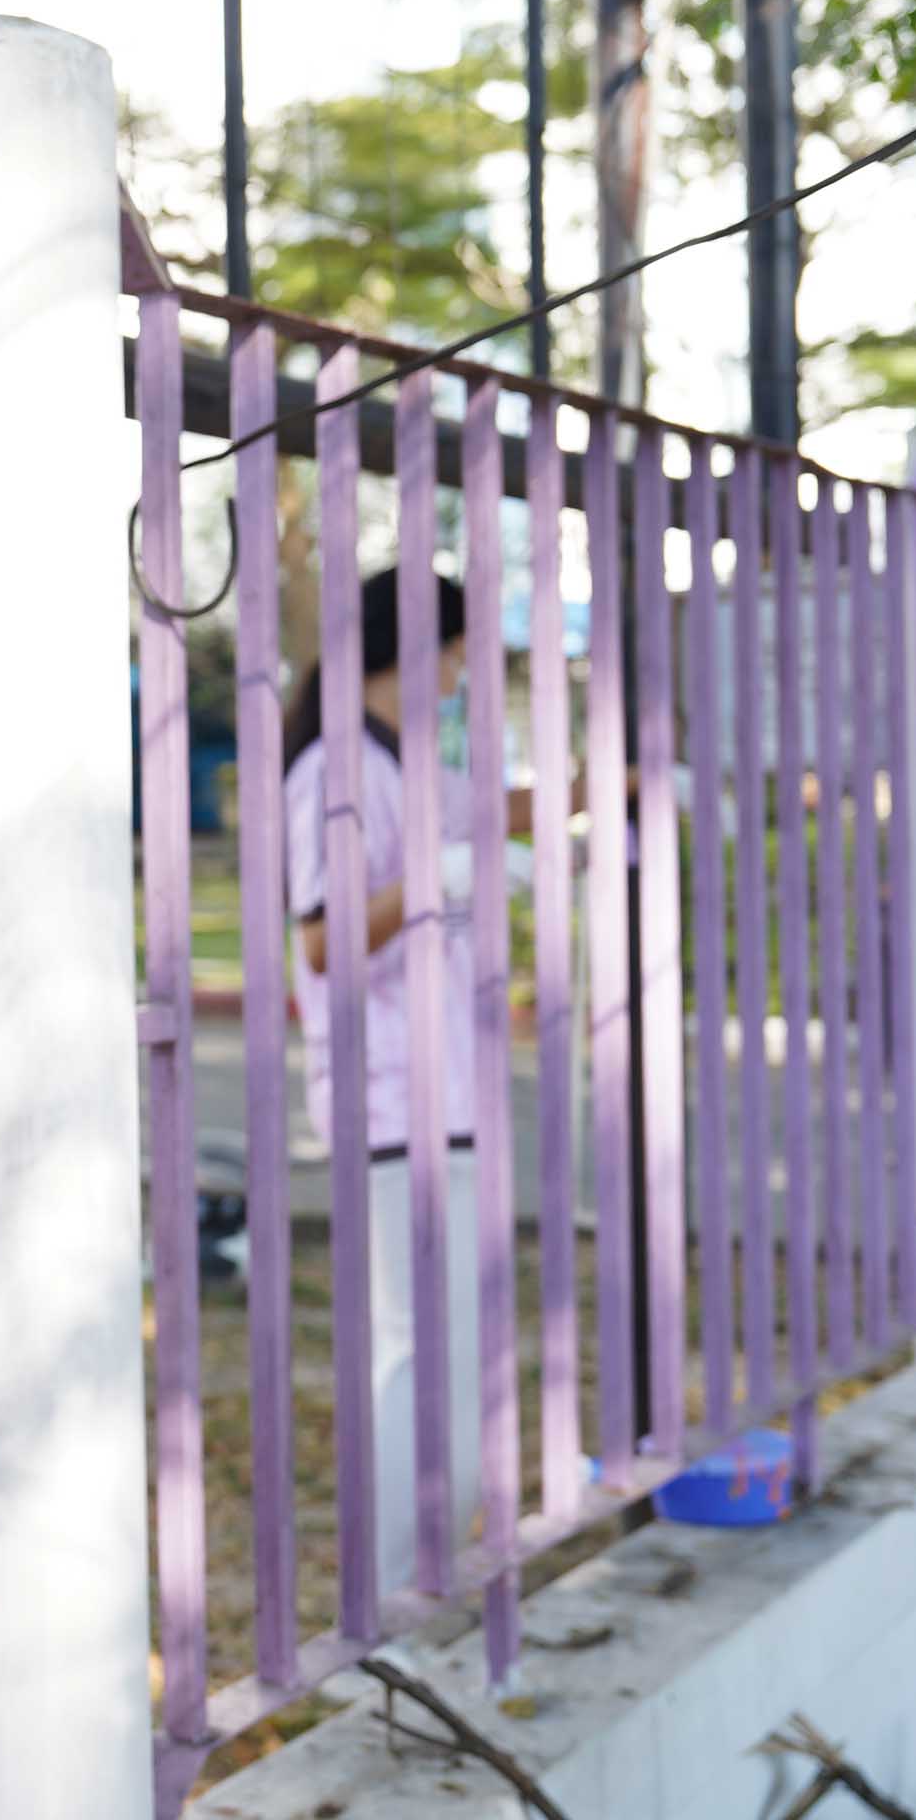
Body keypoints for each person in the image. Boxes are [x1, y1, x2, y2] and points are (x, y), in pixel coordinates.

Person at [281, 564, 566, 1599]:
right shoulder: (333, 769)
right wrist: (434, 880)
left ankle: (429, 1584)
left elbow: (502, 806)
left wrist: (624, 784)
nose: (458, 676)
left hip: (450, 1098)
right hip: (392, 1099)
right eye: (454, 652)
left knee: (458, 1361)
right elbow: (322, 942)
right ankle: (389, 1601)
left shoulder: (403, 762)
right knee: (412, 1360)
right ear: (412, 648)